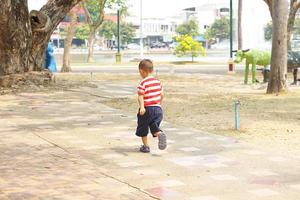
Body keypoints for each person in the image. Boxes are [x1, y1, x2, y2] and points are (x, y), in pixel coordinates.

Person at [136, 59, 167, 153]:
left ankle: (146, 147)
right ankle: (159, 133)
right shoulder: (158, 82)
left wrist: (142, 107)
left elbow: (140, 95)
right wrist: (159, 104)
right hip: (158, 109)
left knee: (143, 127)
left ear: (142, 71)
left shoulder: (143, 82)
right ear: (152, 70)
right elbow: (162, 95)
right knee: (153, 125)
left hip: (147, 109)